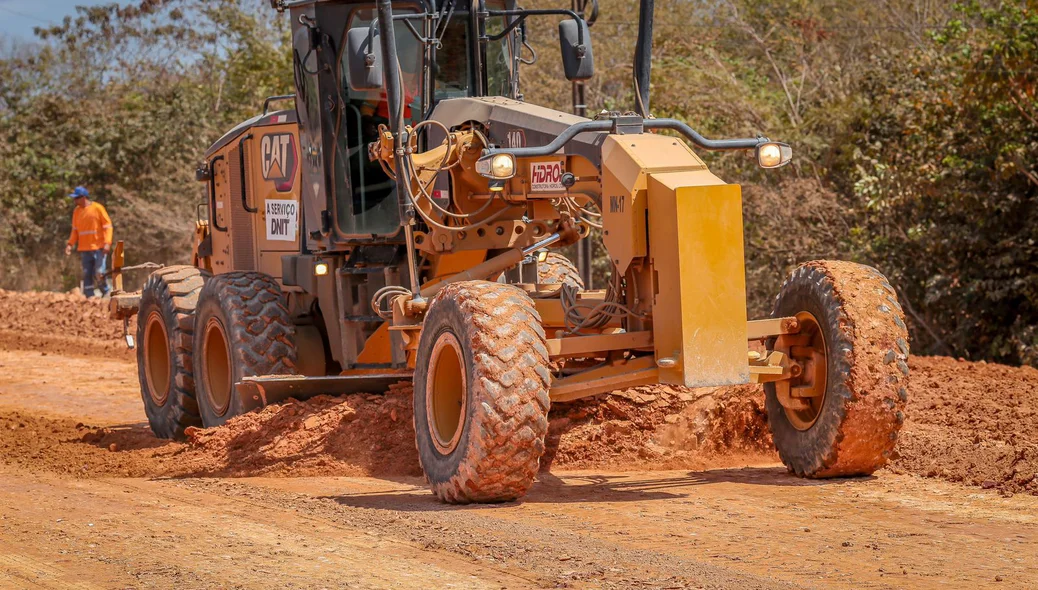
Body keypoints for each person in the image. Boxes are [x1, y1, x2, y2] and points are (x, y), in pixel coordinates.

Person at [64, 186, 113, 298]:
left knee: (99, 272)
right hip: (85, 249)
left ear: (83, 197)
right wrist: (70, 244)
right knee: (87, 274)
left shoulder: (97, 208)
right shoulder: (77, 212)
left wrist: (107, 243)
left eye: (76, 198)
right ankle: (89, 296)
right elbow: (75, 231)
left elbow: (108, 227)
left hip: (99, 247)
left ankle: (106, 292)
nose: (74, 201)